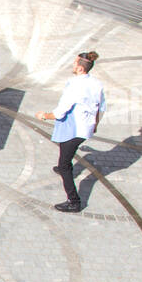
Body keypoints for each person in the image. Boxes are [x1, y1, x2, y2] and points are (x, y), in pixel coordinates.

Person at [36, 50, 105, 212]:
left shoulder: (75, 85)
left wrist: (44, 115)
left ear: (81, 68)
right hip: (85, 128)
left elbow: (61, 111)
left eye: (75, 63)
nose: (73, 65)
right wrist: (95, 124)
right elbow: (101, 108)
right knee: (66, 151)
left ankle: (74, 201)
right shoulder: (96, 84)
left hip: (73, 129)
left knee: (65, 164)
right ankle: (62, 167)